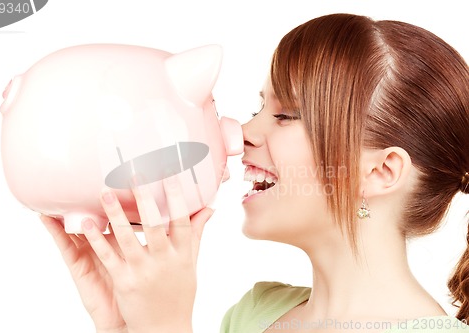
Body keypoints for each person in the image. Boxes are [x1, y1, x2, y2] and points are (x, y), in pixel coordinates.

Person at [41, 13, 469, 333]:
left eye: (284, 116)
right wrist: (125, 326)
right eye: (257, 108)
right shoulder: (255, 313)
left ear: (380, 171)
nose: (242, 132)